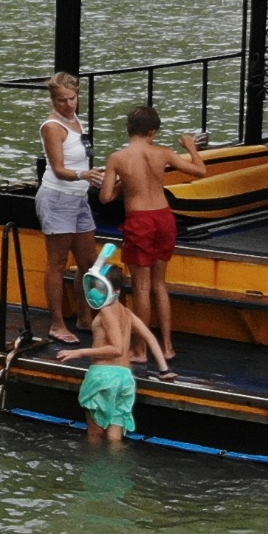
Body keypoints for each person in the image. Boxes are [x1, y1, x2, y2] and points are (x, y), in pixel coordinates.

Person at [102, 103, 203, 369]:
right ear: (153, 133)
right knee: (160, 284)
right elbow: (201, 171)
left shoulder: (118, 158)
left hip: (140, 221)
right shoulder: (164, 153)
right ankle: (168, 346)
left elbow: (105, 197)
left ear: (129, 129)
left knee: (141, 288)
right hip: (164, 217)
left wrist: (125, 181)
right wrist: (191, 147)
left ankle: (140, 348)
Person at [51, 250, 159, 449]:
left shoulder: (107, 311)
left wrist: (78, 352)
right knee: (115, 437)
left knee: (95, 433)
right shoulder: (126, 312)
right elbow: (149, 336)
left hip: (103, 376)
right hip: (125, 379)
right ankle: (117, 474)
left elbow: (116, 348)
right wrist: (164, 368)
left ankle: (94, 474)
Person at [33, 73, 106, 345]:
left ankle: (84, 316)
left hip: (79, 199)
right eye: (62, 101)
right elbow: (60, 169)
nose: (68, 105)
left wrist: (92, 174)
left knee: (89, 261)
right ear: (53, 100)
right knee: (58, 262)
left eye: (72, 99)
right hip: (57, 197)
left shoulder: (77, 121)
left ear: (78, 95)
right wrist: (83, 176)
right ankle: (56, 324)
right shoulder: (52, 127)